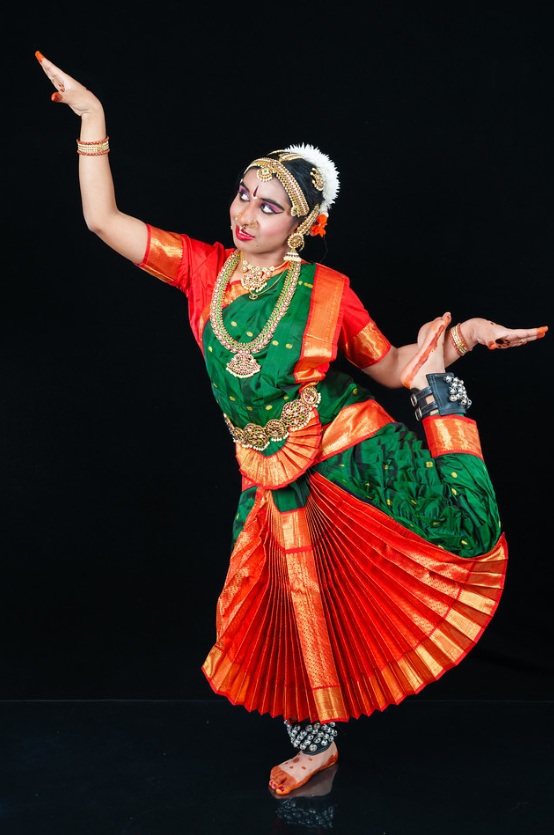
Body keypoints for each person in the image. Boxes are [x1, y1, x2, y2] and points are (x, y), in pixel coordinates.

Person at [36, 50, 548, 798]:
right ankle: (318, 748)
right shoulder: (203, 269)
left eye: (268, 205)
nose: (245, 213)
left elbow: (393, 367)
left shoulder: (328, 294)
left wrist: (460, 337)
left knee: (464, 529)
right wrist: (94, 121)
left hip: (346, 448)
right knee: (278, 608)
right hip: (266, 469)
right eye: (243, 194)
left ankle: (452, 408)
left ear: (303, 224)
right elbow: (101, 218)